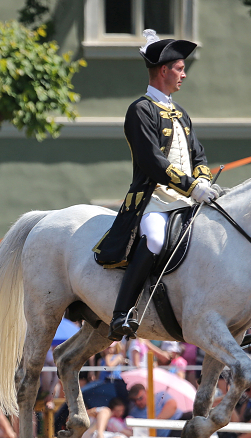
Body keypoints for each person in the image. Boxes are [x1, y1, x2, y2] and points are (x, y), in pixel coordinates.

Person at [93, 30, 217, 339]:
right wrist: (192, 186)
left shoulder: (181, 114)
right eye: (180, 68)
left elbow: (198, 155)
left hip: (188, 199)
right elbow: (152, 162)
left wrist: (201, 179)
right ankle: (122, 312)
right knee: (156, 239)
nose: (184, 75)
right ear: (163, 70)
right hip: (154, 200)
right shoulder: (141, 110)